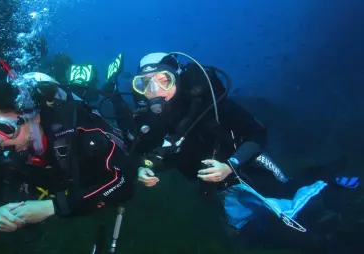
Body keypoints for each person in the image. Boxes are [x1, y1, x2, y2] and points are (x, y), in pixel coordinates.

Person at [127, 52, 359, 250]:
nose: (154, 89)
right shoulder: (156, 121)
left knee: (296, 208)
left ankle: (329, 179)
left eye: (163, 80)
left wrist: (230, 165)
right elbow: (176, 155)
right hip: (220, 188)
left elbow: (258, 133)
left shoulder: (212, 105)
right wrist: (146, 169)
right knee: (252, 236)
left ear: (177, 79)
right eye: (144, 83)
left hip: (252, 168)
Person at [0, 72, 135, 232]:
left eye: (6, 129)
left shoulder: (82, 135)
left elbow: (124, 179)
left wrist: (54, 207)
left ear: (35, 118)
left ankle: (111, 91)